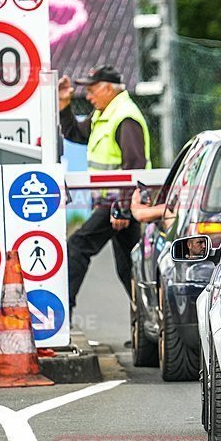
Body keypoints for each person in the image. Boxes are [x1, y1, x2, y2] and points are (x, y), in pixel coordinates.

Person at [59, 65, 152, 311]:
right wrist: (63, 104)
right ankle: (149, 321)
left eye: (91, 90)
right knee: (128, 267)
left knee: (78, 246)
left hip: (117, 203)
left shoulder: (124, 116)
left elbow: (135, 165)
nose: (88, 96)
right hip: (115, 204)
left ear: (108, 88)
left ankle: (62, 316)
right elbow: (75, 134)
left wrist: (121, 209)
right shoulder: (106, 113)